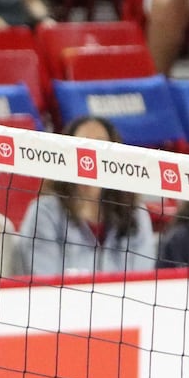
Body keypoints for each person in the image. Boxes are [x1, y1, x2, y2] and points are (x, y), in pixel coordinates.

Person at [15, 116, 156, 277]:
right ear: (67, 154)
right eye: (83, 144)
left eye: (100, 144)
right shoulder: (44, 212)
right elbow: (43, 277)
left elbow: (142, 279)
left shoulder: (135, 214)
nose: (91, 153)